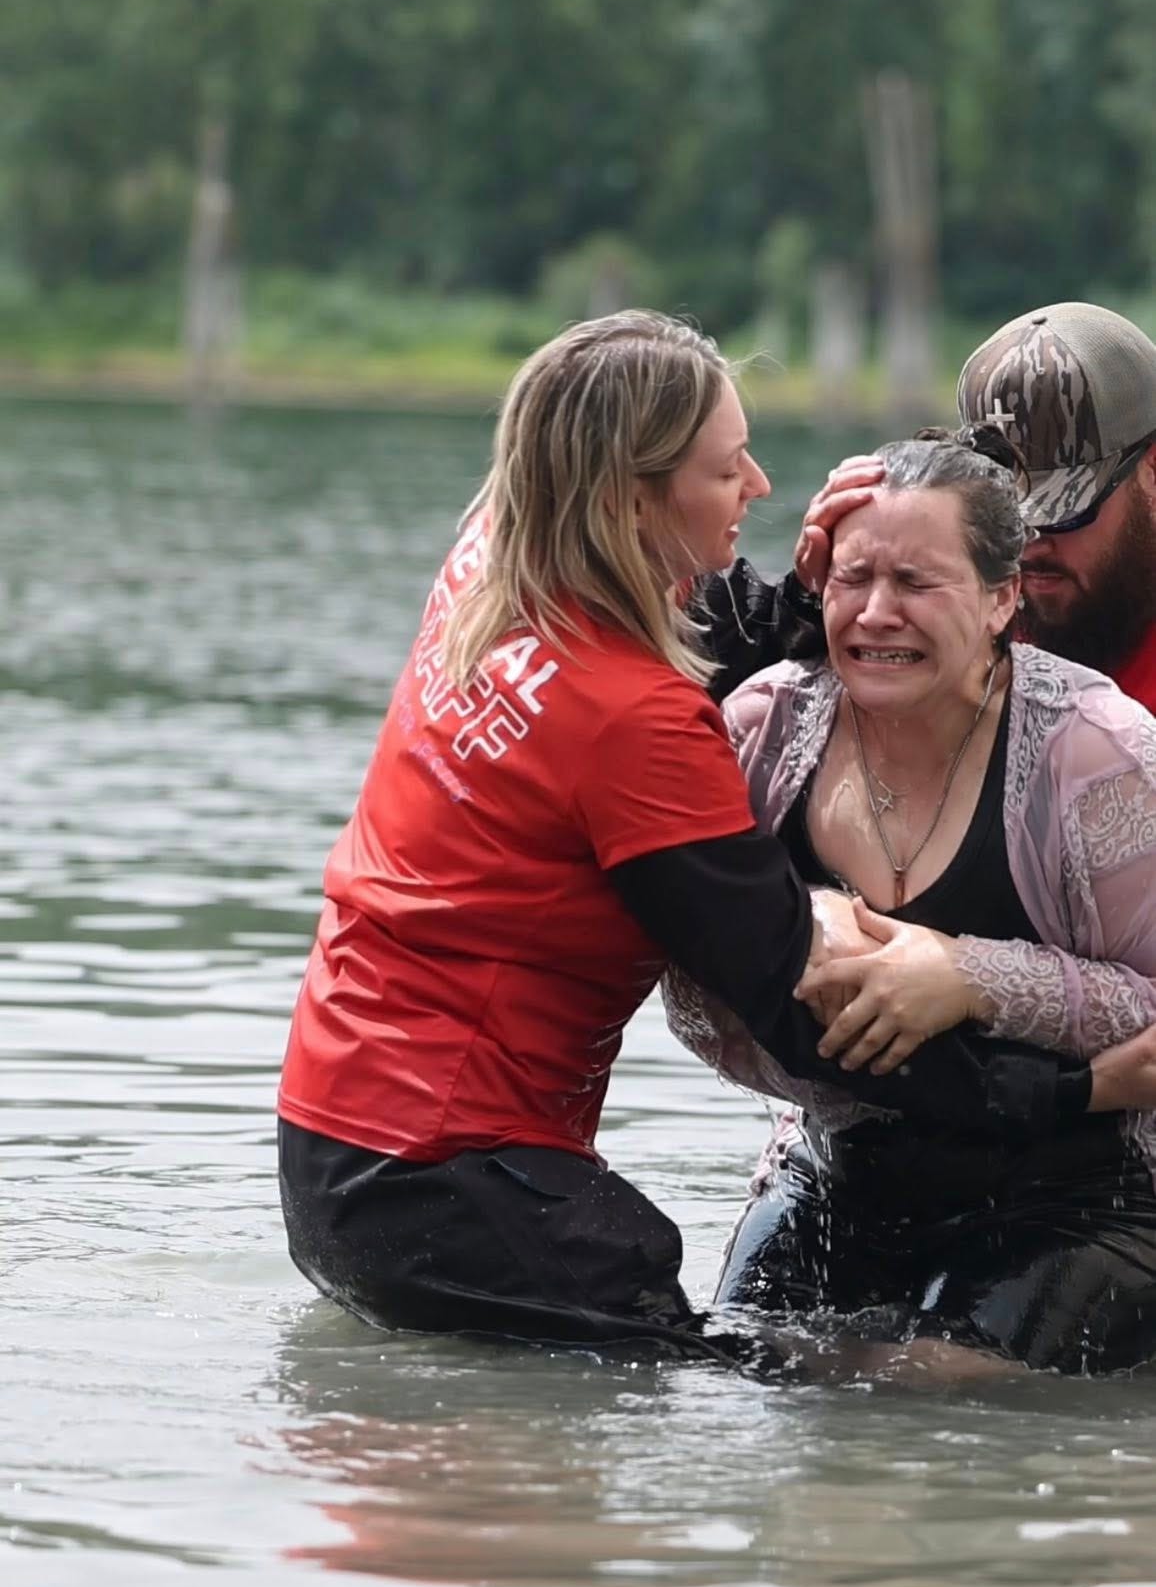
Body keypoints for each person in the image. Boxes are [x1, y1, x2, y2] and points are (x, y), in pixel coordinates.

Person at [277, 312, 1135, 1365]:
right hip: (455, 1165)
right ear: (629, 498)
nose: (766, 489)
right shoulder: (641, 724)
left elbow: (649, 623)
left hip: (330, 1138)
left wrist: (809, 600)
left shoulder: (497, 548)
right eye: (729, 466)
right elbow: (793, 1008)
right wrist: (1072, 1086)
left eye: (915, 580)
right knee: (749, 1383)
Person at [668, 428, 1156, 1374]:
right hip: (842, 1167)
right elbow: (692, 1002)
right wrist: (799, 940)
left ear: (1002, 600)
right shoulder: (761, 730)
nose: (876, 614)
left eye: (918, 584)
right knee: (731, 1368)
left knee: (923, 1386)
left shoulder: (1101, 752)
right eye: (854, 579)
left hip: (1083, 1185)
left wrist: (968, 976)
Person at [787, 302, 1156, 712]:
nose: (1026, 547)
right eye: (1005, 519)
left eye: (1062, 513)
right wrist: (806, 603)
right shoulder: (955, 617)